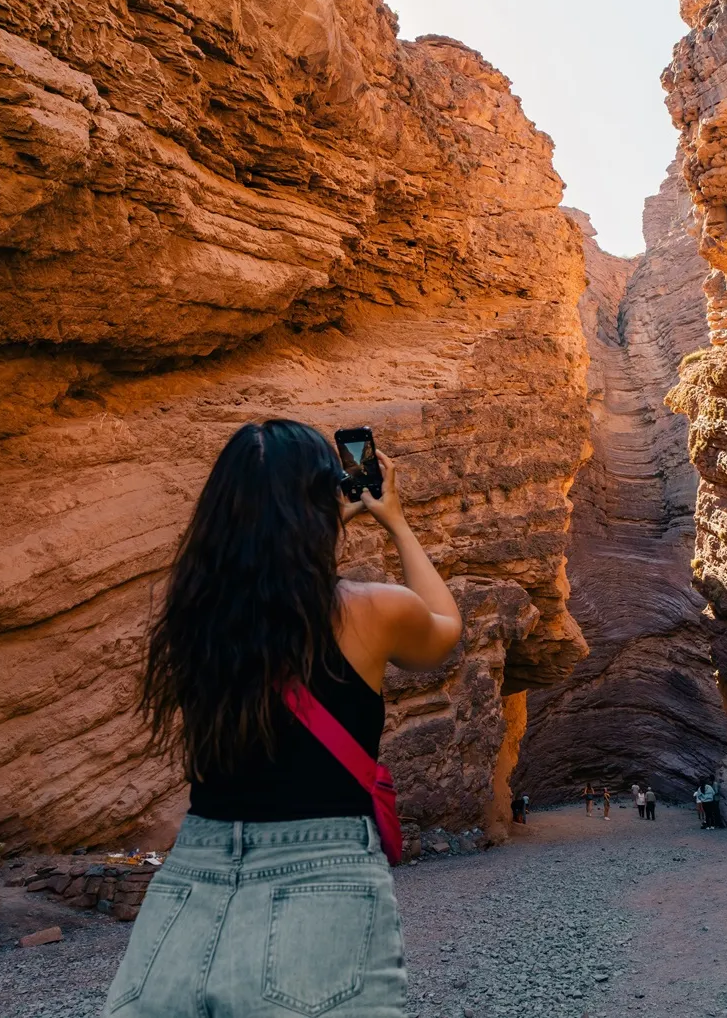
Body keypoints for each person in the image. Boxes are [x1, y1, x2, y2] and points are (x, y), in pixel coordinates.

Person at [106, 420, 463, 1017]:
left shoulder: (195, 620)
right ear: (320, 505)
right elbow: (443, 633)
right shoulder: (370, 610)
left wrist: (316, 521)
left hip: (193, 874)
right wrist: (393, 518)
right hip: (320, 870)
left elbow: (269, 591)